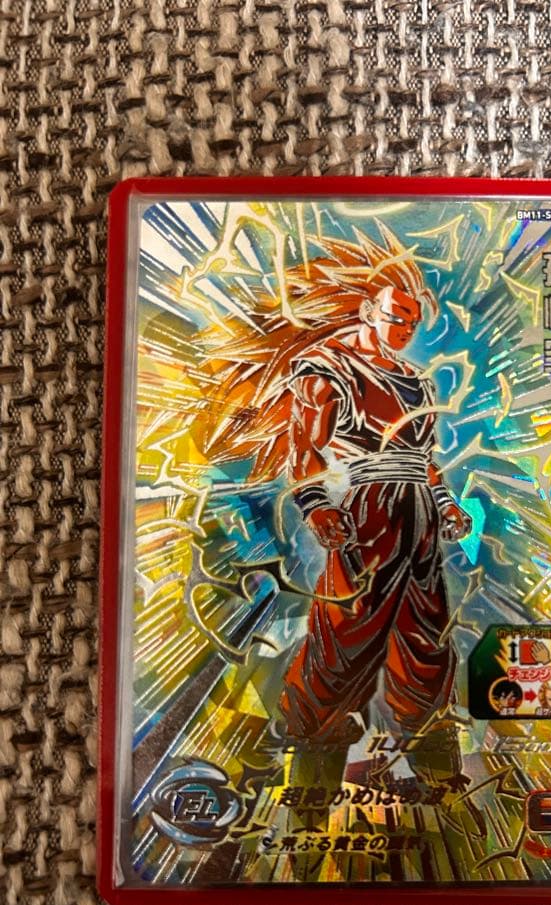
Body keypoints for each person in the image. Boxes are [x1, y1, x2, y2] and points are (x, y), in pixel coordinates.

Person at [190, 225, 471, 791]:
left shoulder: (413, 380)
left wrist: (445, 503)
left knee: (426, 634)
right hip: (368, 510)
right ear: (367, 310)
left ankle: (438, 770)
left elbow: (423, 458)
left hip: (417, 514)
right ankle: (310, 770)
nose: (403, 331)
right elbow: (304, 448)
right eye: (394, 317)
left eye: (411, 323)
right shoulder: (327, 367)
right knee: (346, 631)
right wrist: (316, 503)